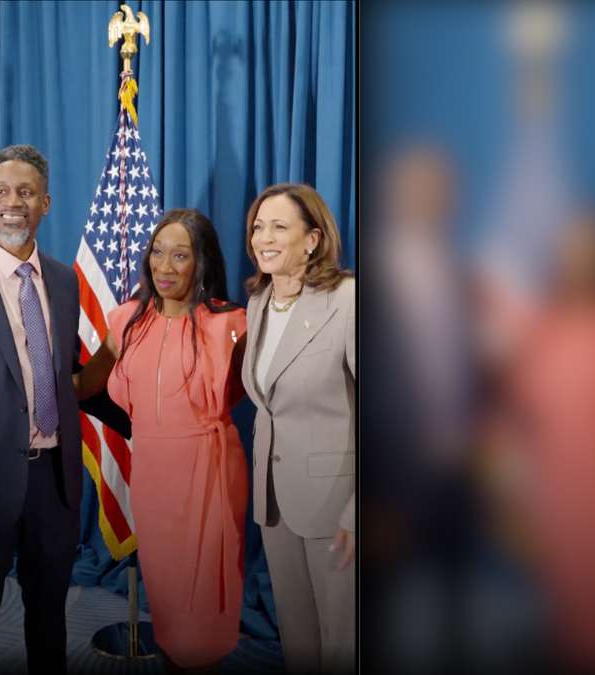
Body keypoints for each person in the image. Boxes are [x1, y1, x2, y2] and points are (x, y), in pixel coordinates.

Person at [75, 208, 249, 673]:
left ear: (202, 262)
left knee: (203, 604)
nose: (164, 266)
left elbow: (261, 390)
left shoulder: (232, 324)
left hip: (208, 471)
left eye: (180, 255)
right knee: (168, 598)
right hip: (151, 474)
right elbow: (86, 385)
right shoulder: (126, 320)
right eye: (157, 252)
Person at [505, 212, 595, 671]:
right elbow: (514, 429)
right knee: (567, 629)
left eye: (591, 252)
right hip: (557, 513)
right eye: (573, 252)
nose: (582, 262)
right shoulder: (540, 332)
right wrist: (515, 508)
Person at [0, 144, 94, 675]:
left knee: (49, 621)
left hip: (53, 485)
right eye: (1, 191)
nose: (11, 202)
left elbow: (68, 374)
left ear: (46, 203)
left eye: (25, 192)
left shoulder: (65, 281)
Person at [366, 146, 481, 670]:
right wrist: (375, 493)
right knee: (385, 613)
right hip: (392, 480)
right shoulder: (372, 277)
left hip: (458, 472)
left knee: (455, 609)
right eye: (419, 187)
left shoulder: (462, 273)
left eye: (440, 188)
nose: (431, 198)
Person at [240, 184, 356, 674]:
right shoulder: (259, 302)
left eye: (279, 227)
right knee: (298, 634)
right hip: (274, 499)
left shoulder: (348, 299)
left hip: (336, 506)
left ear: (312, 239)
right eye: (258, 227)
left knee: (341, 639)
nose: (263, 238)